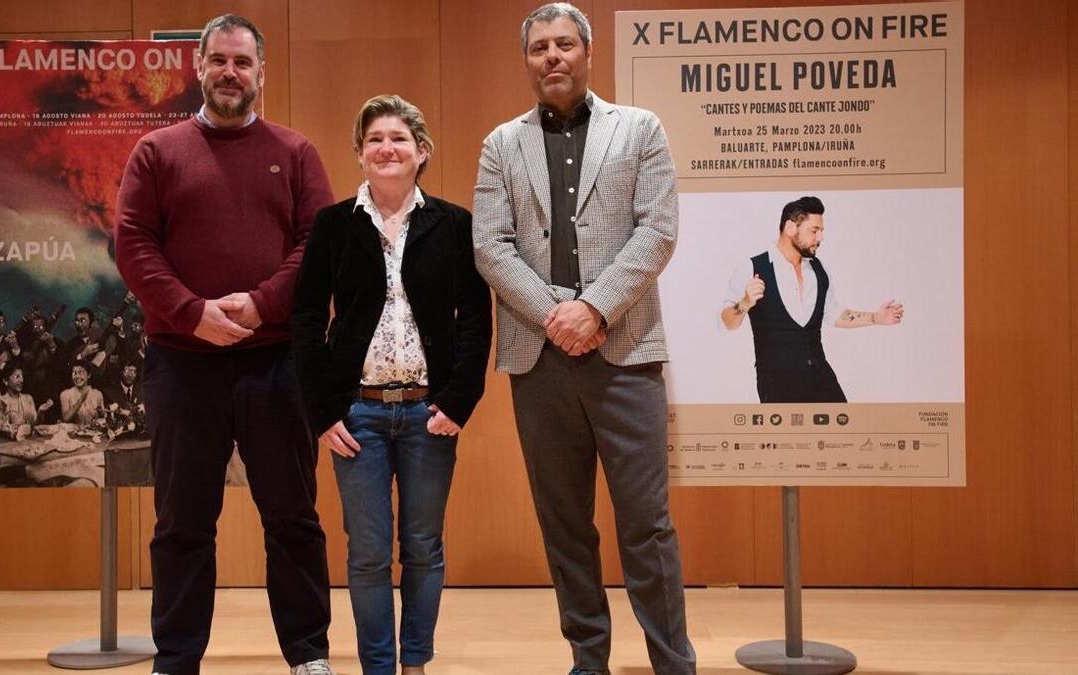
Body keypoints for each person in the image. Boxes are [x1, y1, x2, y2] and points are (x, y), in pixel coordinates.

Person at [471, 4, 696, 673]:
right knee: (565, 524)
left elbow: (656, 230)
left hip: (625, 353)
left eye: (564, 43)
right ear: (528, 60)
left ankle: (671, 661)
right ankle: (588, 659)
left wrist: (592, 309)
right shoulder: (499, 144)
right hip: (540, 359)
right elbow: (490, 244)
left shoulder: (640, 130)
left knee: (646, 525)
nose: (552, 56)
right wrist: (554, 316)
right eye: (539, 47)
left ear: (589, 51)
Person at [114, 13, 336, 675]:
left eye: (243, 62)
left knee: (292, 515)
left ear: (261, 74)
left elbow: (317, 247)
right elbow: (131, 244)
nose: (230, 73)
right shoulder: (157, 152)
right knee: (182, 523)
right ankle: (176, 659)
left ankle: (309, 654)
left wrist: (261, 302)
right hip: (182, 364)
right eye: (219, 61)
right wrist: (191, 313)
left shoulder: (295, 153)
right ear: (199, 68)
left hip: (276, 363)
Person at [292, 95, 491, 675]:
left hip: (430, 413)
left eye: (399, 138)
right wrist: (322, 412)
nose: (387, 147)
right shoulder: (333, 225)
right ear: (359, 153)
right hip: (358, 416)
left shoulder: (453, 224)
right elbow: (306, 317)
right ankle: (378, 668)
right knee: (369, 554)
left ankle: (416, 665)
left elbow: (475, 318)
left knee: (424, 549)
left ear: (421, 151)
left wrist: (458, 402)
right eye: (375, 138)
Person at [720, 196, 905, 403]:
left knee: (845, 433)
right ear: (790, 227)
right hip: (776, 385)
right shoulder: (751, 268)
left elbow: (833, 314)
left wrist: (876, 318)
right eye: (814, 231)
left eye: (821, 231)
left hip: (821, 379)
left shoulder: (819, 269)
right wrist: (745, 303)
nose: (820, 238)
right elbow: (727, 321)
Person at [0, 363, 52, 439]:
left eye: (22, 377)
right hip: (7, 446)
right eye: (17, 377)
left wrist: (40, 412)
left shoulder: (28, 398)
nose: (21, 380)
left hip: (28, 443)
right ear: (5, 381)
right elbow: (2, 430)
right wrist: (4, 409)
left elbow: (34, 425)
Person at [59, 361, 103, 425]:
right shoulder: (65, 394)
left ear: (89, 375)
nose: (77, 376)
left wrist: (103, 413)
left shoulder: (98, 394)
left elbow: (102, 418)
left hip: (93, 433)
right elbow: (65, 418)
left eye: (81, 373)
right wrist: (82, 398)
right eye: (74, 373)